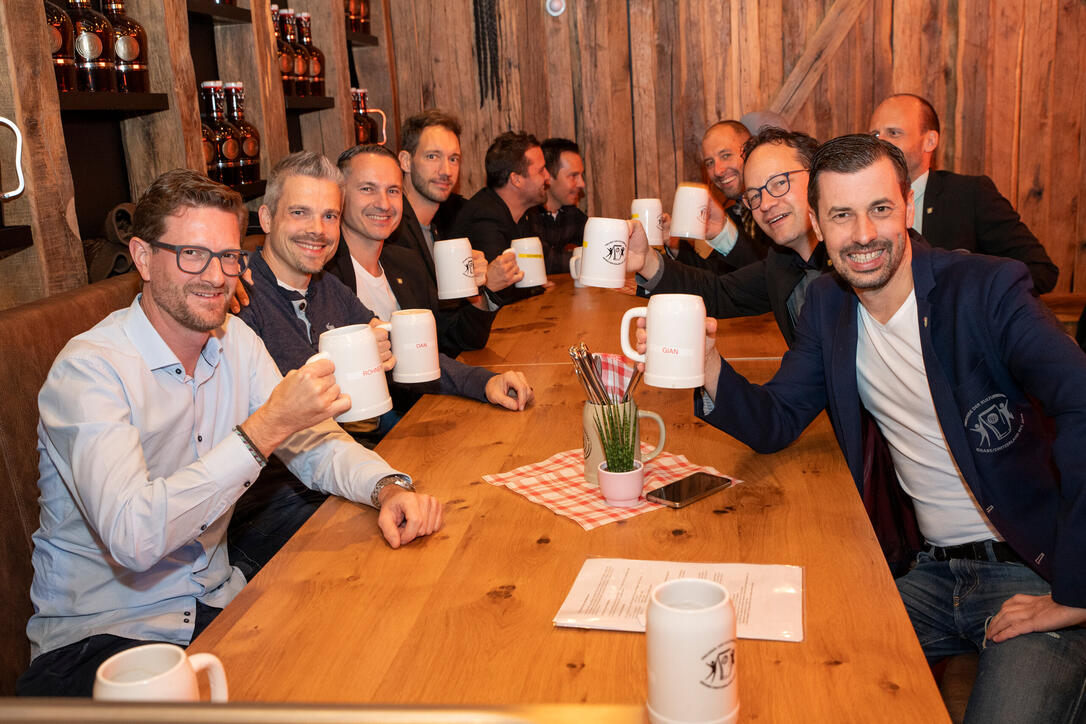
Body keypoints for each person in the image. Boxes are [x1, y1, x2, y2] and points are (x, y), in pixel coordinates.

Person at [684, 134, 1086, 723]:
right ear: (818, 226)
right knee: (780, 683)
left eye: (879, 209)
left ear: (907, 208)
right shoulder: (827, 305)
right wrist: (708, 364)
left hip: (1033, 568)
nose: (864, 235)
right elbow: (778, 420)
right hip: (922, 573)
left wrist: (1076, 590)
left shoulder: (986, 289)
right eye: (842, 215)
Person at [18, 169, 443, 697]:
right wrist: (263, 428)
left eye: (227, 255)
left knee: (379, 653)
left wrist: (387, 486)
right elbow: (134, 536)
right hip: (103, 640)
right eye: (192, 254)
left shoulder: (232, 340)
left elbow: (312, 444)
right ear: (145, 258)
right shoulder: (90, 371)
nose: (217, 276)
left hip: (215, 604)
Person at [231, 152, 532, 576]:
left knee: (468, 512)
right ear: (265, 217)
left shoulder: (327, 288)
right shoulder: (237, 295)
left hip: (345, 470)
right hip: (270, 503)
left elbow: (407, 352)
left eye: (329, 216)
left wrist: (482, 382)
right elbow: (280, 409)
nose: (317, 230)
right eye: (300, 213)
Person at [627, 128, 827, 348]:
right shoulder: (782, 261)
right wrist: (647, 261)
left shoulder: (852, 260)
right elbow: (717, 290)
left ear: (819, 177)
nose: (767, 204)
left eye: (779, 183)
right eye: (755, 196)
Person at [869, 93, 1058, 293]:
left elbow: (1040, 270)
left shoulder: (969, 195)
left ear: (930, 141)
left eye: (894, 133)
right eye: (875, 135)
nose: (881, 143)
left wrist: (972, 298)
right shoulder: (855, 200)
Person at [387, 109, 521, 302]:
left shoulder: (437, 227)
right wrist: (483, 284)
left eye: (453, 159)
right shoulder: (392, 230)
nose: (446, 171)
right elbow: (431, 314)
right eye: (433, 156)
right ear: (406, 162)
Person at [452, 130, 551, 305]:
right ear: (516, 179)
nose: (548, 177)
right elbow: (501, 291)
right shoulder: (484, 217)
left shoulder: (526, 213)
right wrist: (539, 288)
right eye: (541, 170)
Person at [685, 120, 770, 273]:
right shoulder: (736, 213)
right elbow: (716, 278)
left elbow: (775, 278)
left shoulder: (775, 207)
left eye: (725, 155)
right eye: (710, 163)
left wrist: (724, 234)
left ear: (751, 151)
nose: (717, 171)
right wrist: (674, 246)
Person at [525, 137, 587, 274]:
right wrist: (589, 260)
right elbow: (544, 262)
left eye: (581, 175)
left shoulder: (570, 213)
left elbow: (600, 243)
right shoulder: (528, 215)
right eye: (573, 176)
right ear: (548, 177)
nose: (582, 184)